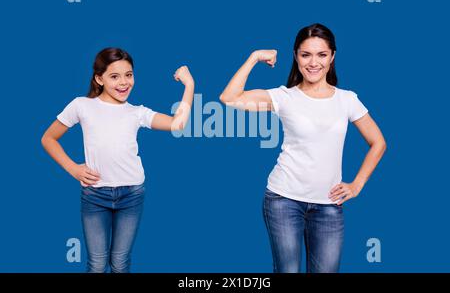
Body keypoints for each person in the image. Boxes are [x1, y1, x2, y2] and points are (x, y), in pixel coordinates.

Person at [219, 23, 386, 273]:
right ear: (296, 56)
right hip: (283, 200)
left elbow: (378, 142)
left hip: (329, 206)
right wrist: (254, 57)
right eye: (305, 54)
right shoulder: (284, 97)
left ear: (332, 57)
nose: (313, 62)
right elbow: (229, 98)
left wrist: (357, 184)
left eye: (322, 54)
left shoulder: (347, 99)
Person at [41, 48, 195, 273]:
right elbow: (48, 138)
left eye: (129, 75)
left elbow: (177, 124)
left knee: (120, 263)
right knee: (96, 264)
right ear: (99, 78)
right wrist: (73, 168)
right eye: (115, 76)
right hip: (95, 195)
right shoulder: (81, 106)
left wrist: (189, 85)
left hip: (131, 195)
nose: (124, 83)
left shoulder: (136, 112)